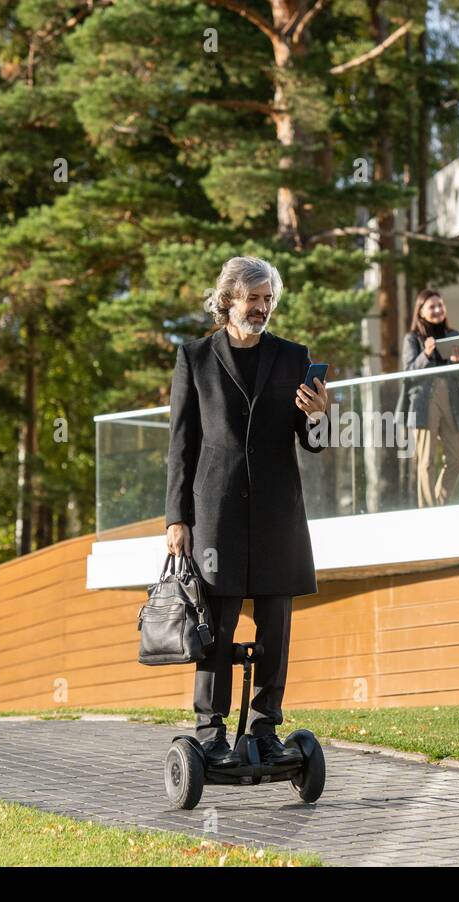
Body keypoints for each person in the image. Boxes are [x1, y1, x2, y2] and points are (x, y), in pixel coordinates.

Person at [163, 256, 329, 770]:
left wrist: (320, 416)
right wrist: (176, 519)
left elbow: (315, 445)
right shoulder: (194, 358)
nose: (260, 308)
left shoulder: (293, 357)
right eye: (252, 298)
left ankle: (263, 728)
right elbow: (181, 444)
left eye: (267, 300)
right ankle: (210, 731)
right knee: (218, 624)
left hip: (279, 513)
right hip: (215, 516)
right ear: (228, 298)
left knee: (275, 624)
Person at [398, 289, 459, 507]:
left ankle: (439, 503)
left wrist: (458, 361)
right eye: (432, 306)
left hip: (451, 397)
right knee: (426, 461)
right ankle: (428, 510)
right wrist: (426, 354)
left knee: (457, 459)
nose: (438, 310)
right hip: (424, 400)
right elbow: (409, 372)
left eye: (440, 305)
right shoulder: (412, 339)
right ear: (420, 312)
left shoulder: (454, 334)